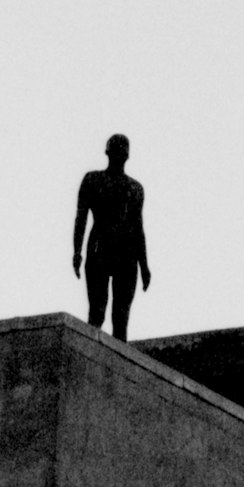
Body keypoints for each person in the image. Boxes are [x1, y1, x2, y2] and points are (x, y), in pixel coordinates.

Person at [73, 133, 151, 341]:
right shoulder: (93, 180)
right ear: (109, 153)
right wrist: (77, 252)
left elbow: (137, 228)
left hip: (126, 254)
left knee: (120, 319)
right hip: (100, 248)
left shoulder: (135, 189)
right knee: (97, 311)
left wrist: (144, 266)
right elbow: (81, 218)